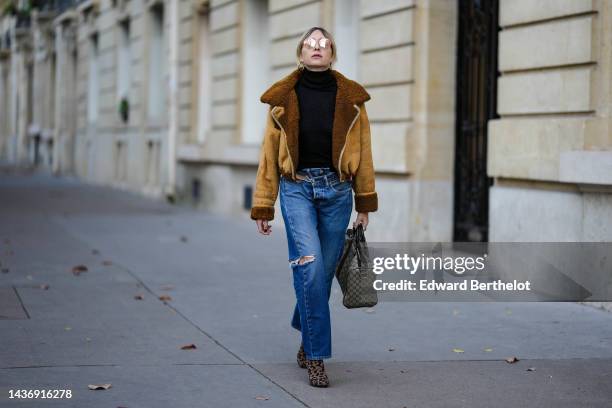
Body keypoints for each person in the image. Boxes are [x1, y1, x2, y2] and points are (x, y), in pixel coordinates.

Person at [250, 26, 378, 388]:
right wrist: (264, 204)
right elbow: (268, 158)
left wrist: (364, 201)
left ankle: (306, 330)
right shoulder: (282, 99)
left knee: (320, 276)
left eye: (323, 44)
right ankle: (317, 356)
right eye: (310, 43)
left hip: (339, 193)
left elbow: (364, 154)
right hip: (297, 190)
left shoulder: (352, 99)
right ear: (300, 54)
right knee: (310, 270)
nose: (317, 47)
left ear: (333, 52)